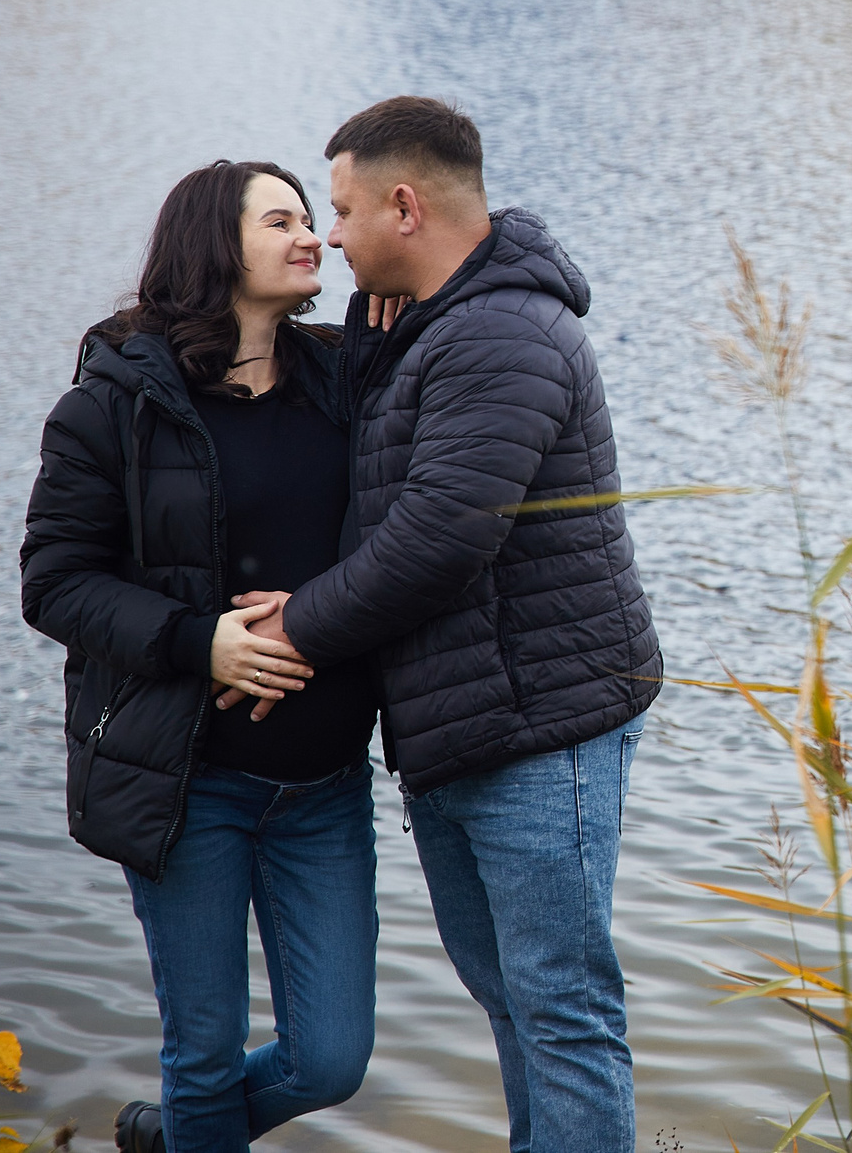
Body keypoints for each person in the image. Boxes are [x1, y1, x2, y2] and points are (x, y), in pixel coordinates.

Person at [236, 97, 662, 1153]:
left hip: (540, 726)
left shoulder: (504, 332)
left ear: (405, 205)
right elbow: (392, 481)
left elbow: (437, 540)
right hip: (465, 722)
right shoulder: (427, 326)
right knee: (514, 1004)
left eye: (340, 211)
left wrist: (297, 625)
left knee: (562, 1011)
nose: (329, 237)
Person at [21, 161, 385, 1153]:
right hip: (188, 783)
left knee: (332, 1058)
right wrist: (201, 641)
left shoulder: (343, 380)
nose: (312, 235)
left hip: (323, 786)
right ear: (213, 246)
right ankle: (193, 1123)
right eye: (283, 220)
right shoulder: (111, 408)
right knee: (206, 1056)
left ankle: (173, 1136)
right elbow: (53, 584)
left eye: (315, 218)